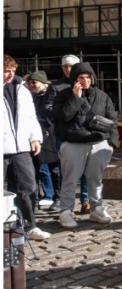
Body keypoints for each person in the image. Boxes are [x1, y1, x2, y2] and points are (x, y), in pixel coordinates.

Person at [53, 61, 118, 229]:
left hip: (98, 142)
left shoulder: (102, 96)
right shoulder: (63, 95)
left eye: (88, 77)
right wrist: (75, 98)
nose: (85, 80)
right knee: (70, 179)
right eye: (81, 77)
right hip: (74, 142)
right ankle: (65, 211)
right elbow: (63, 117)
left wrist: (112, 143)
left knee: (96, 180)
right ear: (74, 79)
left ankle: (97, 208)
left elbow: (112, 119)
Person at [3, 56, 49, 241]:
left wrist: (35, 137)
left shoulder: (22, 89)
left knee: (28, 186)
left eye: (13, 70)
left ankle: (30, 225)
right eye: (6, 70)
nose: (10, 74)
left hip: (21, 147)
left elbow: (30, 116)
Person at [44, 54, 90, 215]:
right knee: (65, 171)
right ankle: (63, 201)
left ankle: (86, 200)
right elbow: (47, 108)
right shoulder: (56, 86)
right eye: (65, 66)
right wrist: (63, 111)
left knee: (87, 169)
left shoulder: (87, 84)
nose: (68, 69)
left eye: (72, 66)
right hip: (64, 133)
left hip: (84, 132)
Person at [27, 71, 61, 210]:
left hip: (50, 135)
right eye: (29, 83)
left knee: (55, 169)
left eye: (34, 82)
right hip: (32, 136)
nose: (31, 85)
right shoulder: (27, 96)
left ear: (43, 83)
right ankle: (34, 200)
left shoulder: (52, 94)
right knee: (32, 171)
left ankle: (58, 198)